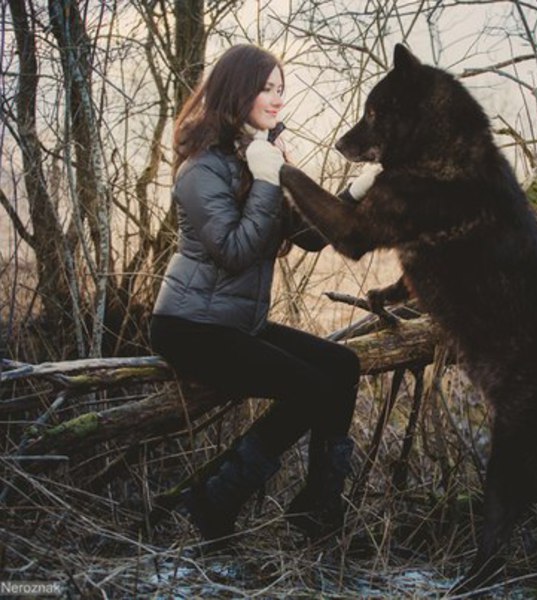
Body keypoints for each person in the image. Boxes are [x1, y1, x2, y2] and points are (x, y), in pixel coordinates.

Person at [149, 44, 376, 544]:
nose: (276, 100)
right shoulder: (202, 169)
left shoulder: (257, 157)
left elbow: (308, 236)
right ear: (238, 90)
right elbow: (234, 251)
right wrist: (268, 179)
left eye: (280, 90)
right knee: (313, 387)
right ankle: (217, 499)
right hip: (191, 327)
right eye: (265, 89)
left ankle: (317, 508)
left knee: (342, 366)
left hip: (234, 322)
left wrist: (357, 189)